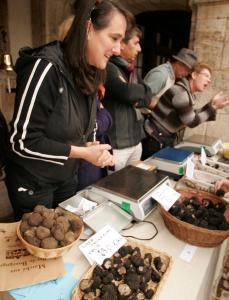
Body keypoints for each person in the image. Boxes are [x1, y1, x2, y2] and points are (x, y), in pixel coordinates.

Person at [5, 0, 130, 220]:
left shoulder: (92, 72)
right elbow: (21, 141)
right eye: (114, 38)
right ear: (89, 28)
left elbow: (86, 127)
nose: (119, 49)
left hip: (67, 178)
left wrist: (93, 148)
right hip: (33, 183)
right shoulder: (45, 67)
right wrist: (82, 152)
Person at [142, 63, 229, 158]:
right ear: (194, 75)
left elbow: (192, 115)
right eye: (206, 76)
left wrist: (211, 104)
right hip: (154, 139)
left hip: (159, 138)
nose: (209, 80)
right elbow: (192, 121)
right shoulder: (181, 93)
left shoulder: (185, 92)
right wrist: (214, 107)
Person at [103, 25, 156, 171]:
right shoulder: (108, 66)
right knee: (113, 189)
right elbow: (127, 93)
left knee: (132, 185)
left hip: (135, 141)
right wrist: (135, 93)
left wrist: (137, 93)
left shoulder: (131, 71)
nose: (139, 49)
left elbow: (148, 95)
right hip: (117, 145)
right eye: (136, 43)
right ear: (121, 44)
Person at [141, 47, 198, 159]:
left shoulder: (172, 77)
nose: (186, 74)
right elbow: (142, 99)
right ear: (179, 63)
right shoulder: (161, 75)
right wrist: (164, 108)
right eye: (186, 70)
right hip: (146, 125)